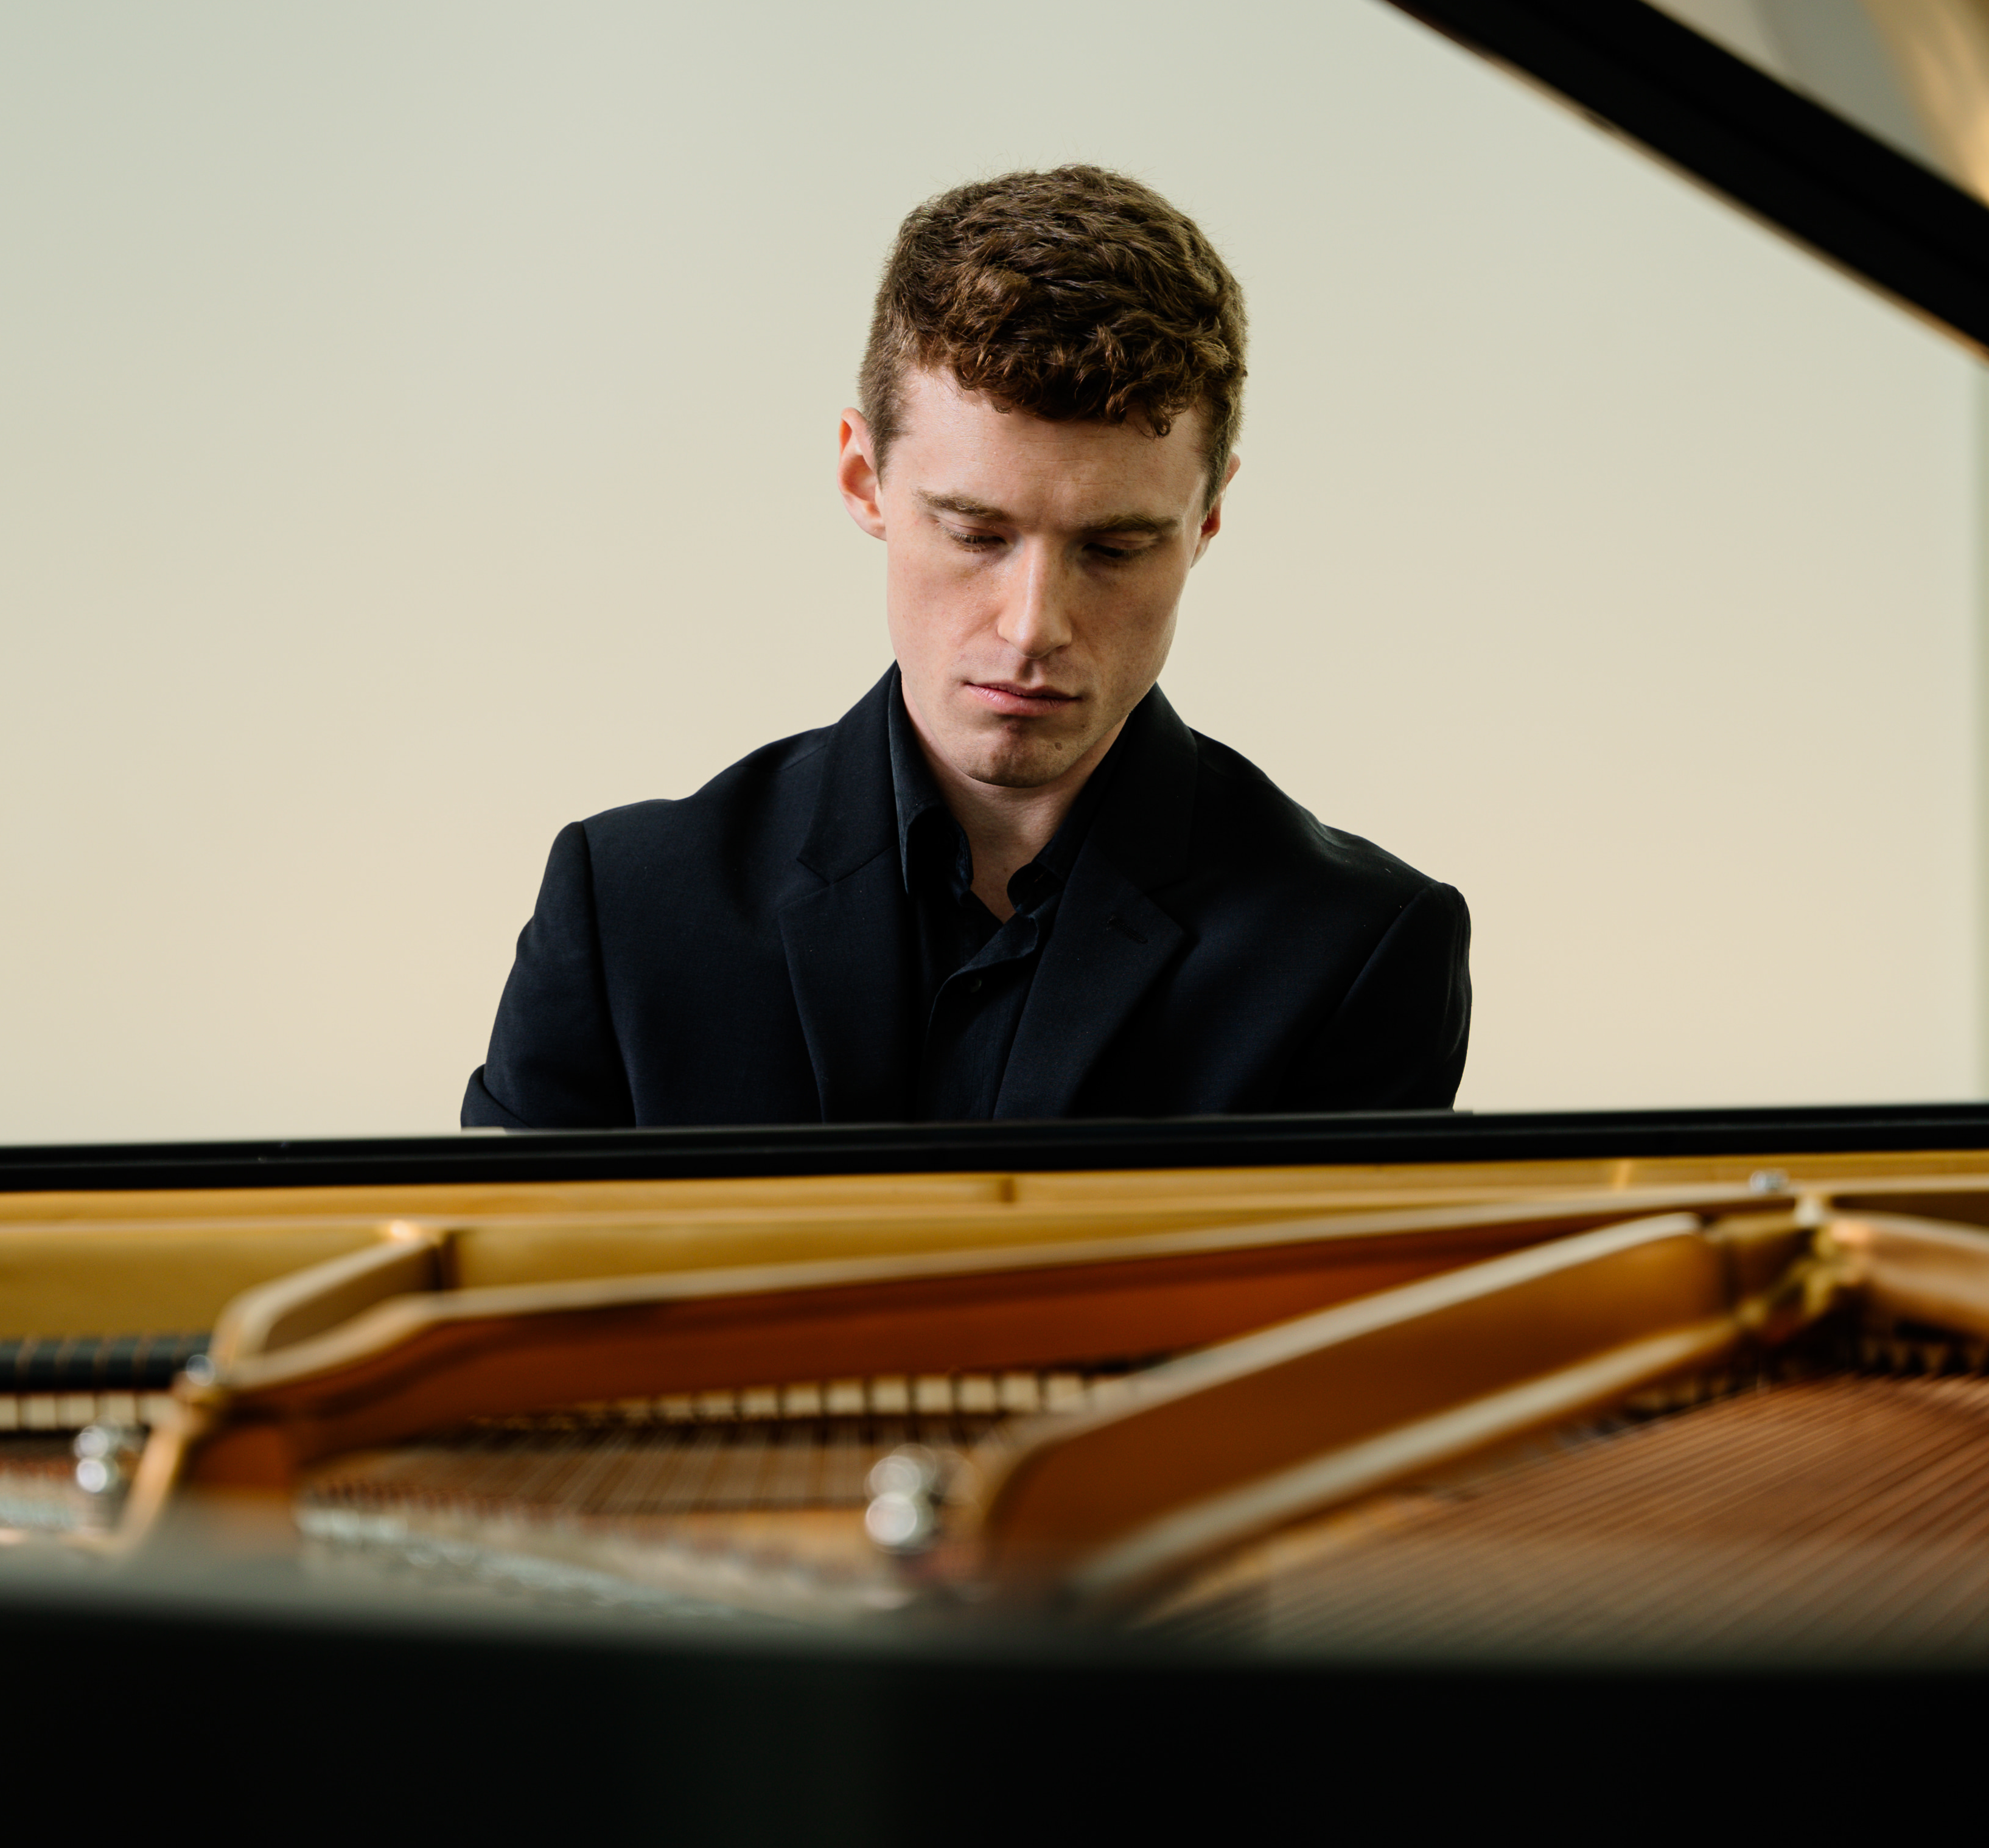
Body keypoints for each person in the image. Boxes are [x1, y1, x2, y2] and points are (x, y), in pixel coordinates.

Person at [464, 166, 1472, 1129]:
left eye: (1114, 549)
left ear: (1207, 519)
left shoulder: (1361, 951)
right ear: (863, 480)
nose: (1033, 627)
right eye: (976, 535)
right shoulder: (623, 910)